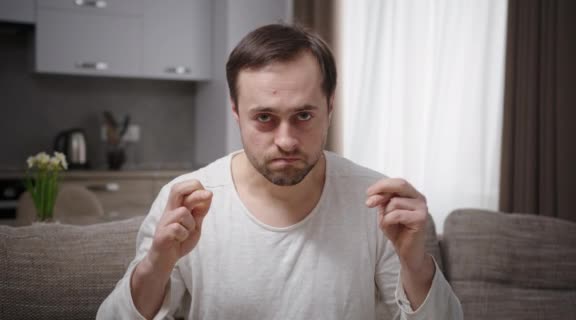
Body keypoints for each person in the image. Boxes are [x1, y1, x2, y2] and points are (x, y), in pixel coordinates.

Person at [97, 23, 463, 320]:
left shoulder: (375, 202)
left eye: (303, 115)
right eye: (264, 118)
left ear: (330, 106)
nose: (286, 141)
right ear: (236, 111)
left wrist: (416, 266)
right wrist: (157, 265)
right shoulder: (186, 199)